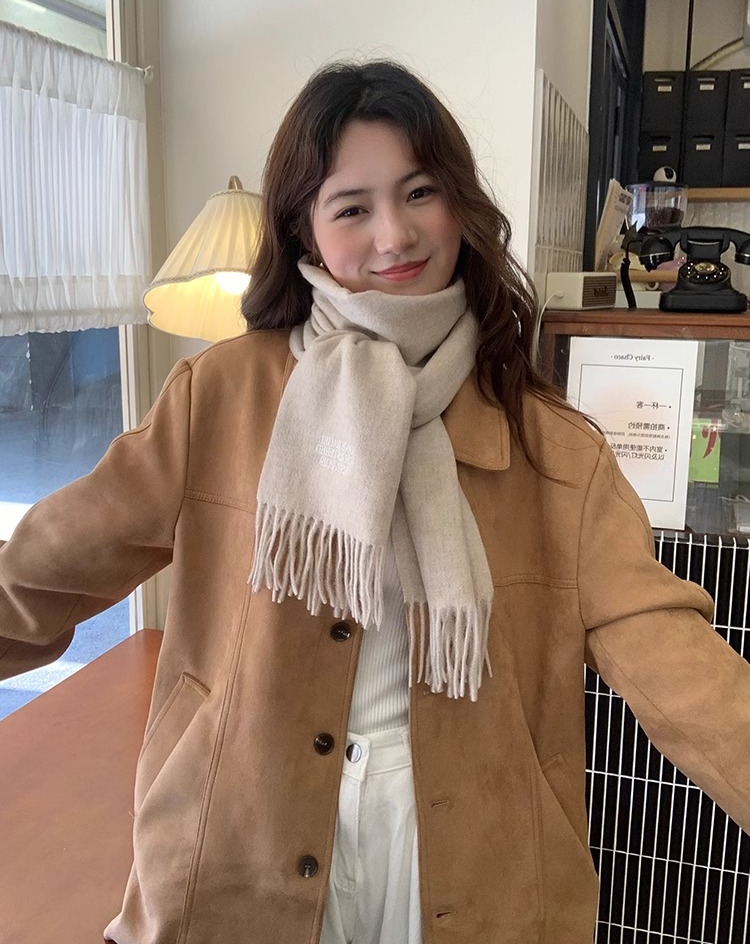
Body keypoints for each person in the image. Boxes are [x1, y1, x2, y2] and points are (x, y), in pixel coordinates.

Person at [1, 59, 750, 944]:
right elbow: (45, 572)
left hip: (470, 851)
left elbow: (676, 661)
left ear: (460, 202)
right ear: (307, 230)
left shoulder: (553, 449)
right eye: (352, 207)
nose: (395, 235)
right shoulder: (222, 398)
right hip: (242, 834)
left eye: (420, 192)